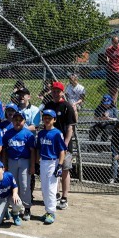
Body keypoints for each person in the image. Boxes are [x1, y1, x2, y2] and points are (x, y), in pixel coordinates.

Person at [43, 81, 77, 210]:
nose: (56, 93)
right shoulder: (49, 105)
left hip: (64, 145)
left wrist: (65, 144)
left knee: (64, 170)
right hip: (51, 145)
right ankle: (55, 195)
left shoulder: (67, 106)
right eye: (54, 91)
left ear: (62, 92)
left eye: (58, 91)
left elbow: (70, 128)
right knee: (53, 170)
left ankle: (64, 197)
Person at [1, 107, 36, 220]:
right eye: (15, 119)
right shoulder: (8, 134)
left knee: (25, 185)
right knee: (13, 185)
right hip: (12, 161)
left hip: (25, 161)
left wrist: (32, 166)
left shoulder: (28, 134)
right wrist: (4, 164)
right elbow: (5, 150)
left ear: (24, 121)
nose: (17, 122)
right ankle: (15, 207)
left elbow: (32, 151)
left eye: (20, 120)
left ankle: (27, 208)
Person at [35, 109, 66, 225]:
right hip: (43, 162)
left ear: (54, 120)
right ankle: (48, 210)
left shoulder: (57, 133)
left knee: (51, 188)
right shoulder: (42, 133)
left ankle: (51, 212)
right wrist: (37, 163)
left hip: (53, 162)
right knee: (44, 188)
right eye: (45, 118)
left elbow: (62, 150)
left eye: (49, 118)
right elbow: (38, 149)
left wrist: (60, 165)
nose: (47, 120)